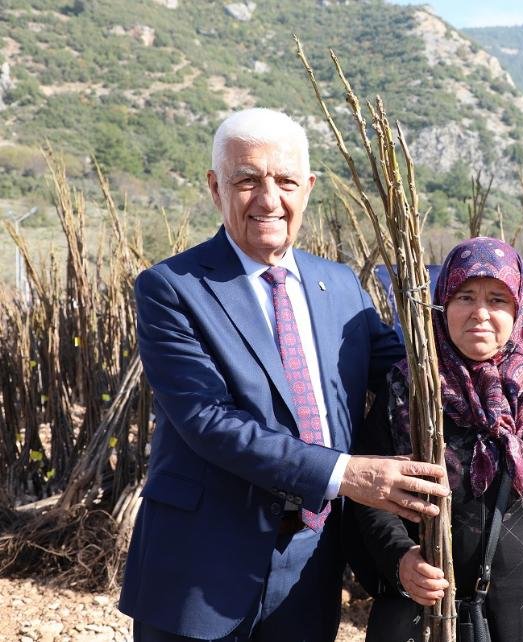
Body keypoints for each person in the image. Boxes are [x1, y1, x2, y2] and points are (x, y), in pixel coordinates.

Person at [118, 108, 450, 642]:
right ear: (215, 187)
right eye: (247, 180)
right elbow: (208, 421)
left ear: (309, 188)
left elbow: (409, 376)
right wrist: (346, 474)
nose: (269, 200)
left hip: (310, 566)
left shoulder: (339, 286)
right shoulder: (173, 288)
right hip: (201, 565)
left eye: (286, 182)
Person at [351, 237, 523, 641]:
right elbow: (368, 497)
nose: (480, 313)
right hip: (427, 617)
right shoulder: (407, 391)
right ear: (443, 304)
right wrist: (401, 559)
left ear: (519, 308)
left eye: (498, 299)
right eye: (465, 297)